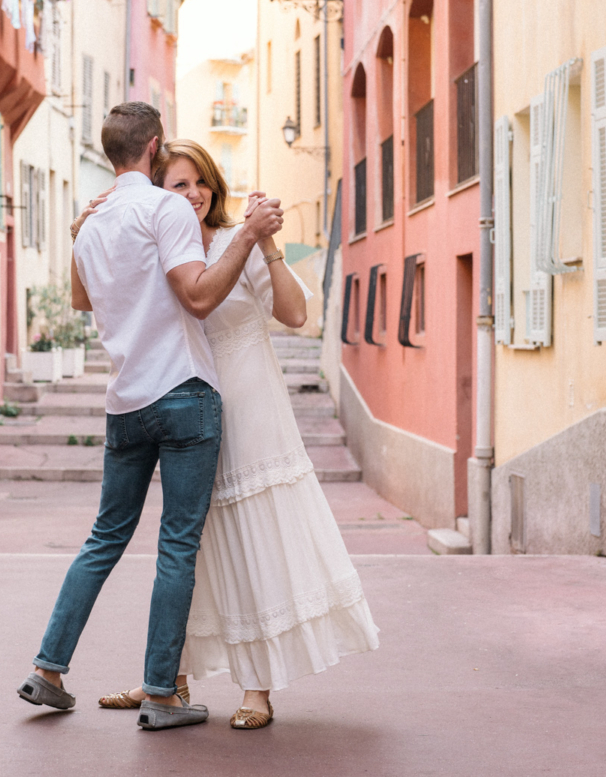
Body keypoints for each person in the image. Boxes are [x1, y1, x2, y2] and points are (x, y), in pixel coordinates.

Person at [74, 140, 379, 731]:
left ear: (212, 186)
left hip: (251, 407)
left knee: (252, 540)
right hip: (187, 408)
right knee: (187, 548)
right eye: (175, 186)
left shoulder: (231, 242)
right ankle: (170, 679)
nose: (190, 196)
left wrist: (266, 245)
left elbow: (295, 315)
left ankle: (258, 688)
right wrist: (91, 229)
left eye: (198, 184)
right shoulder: (158, 244)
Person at [17, 104, 284, 732]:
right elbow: (195, 294)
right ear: (154, 148)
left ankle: (49, 671)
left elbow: (83, 299)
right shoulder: (165, 209)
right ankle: (163, 694)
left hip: (125, 403)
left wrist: (84, 231)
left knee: (104, 539)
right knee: (177, 546)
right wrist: (246, 235)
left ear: (110, 151)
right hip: (184, 393)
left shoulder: (95, 220)